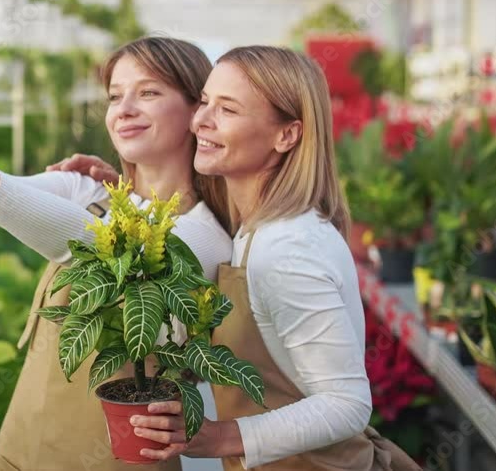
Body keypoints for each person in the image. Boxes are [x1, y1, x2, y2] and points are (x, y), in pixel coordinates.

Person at [0, 37, 233, 471]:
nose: (125, 108)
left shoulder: (203, 237)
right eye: (115, 96)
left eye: (149, 93)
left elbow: (97, 245)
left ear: (197, 110)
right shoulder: (90, 190)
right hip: (29, 438)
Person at [55, 46, 420, 470]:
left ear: (286, 135)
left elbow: (346, 403)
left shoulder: (286, 248)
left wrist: (220, 436)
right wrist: (126, 183)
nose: (201, 121)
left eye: (227, 109)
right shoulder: (253, 226)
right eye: (205, 101)